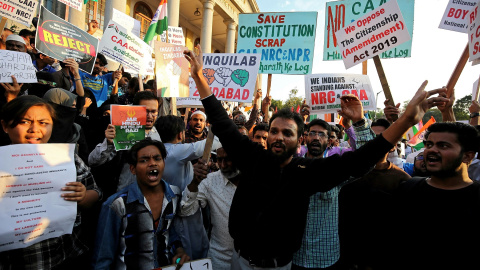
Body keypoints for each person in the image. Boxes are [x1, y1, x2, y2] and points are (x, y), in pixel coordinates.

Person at [184, 46, 448, 269]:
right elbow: (221, 120)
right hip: (239, 261)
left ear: (299, 140)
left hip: (282, 265)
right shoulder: (252, 157)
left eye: (287, 133)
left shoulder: (308, 171)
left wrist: (405, 121)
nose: (278, 137)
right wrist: (198, 76)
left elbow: (361, 160)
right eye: (274, 131)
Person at [0, 95, 101, 269]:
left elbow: (96, 194)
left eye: (43, 123)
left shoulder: (67, 159)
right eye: (24, 122)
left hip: (64, 257)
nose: (34, 129)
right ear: (5, 126)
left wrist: (82, 196)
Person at [391, 122, 480, 270]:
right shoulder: (408, 189)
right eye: (429, 144)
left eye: (443, 146)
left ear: (467, 156)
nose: (432, 150)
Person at [292, 116, 375, 270]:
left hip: (326, 255)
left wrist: (358, 122)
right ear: (305, 138)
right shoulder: (292, 167)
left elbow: (366, 159)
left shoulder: (336, 169)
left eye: (322, 134)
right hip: (293, 255)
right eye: (312, 133)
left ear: (329, 141)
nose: (316, 137)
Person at [92, 138, 190, 270]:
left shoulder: (174, 195)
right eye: (144, 160)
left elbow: (170, 232)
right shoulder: (116, 205)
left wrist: (179, 251)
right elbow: (102, 259)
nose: (152, 164)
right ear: (133, 169)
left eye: (157, 159)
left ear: (163, 164)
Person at [339, 118, 411, 270]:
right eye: (369, 137)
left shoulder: (403, 180)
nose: (374, 143)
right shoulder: (345, 174)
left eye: (381, 138)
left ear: (393, 146)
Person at [155, 115, 222, 259]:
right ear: (180, 134)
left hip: (164, 211)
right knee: (191, 253)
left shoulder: (156, 151)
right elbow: (212, 144)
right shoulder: (176, 151)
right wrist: (218, 123)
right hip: (183, 212)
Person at [180, 148, 240, 270]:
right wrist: (194, 183)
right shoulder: (210, 181)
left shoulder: (256, 178)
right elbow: (185, 210)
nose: (222, 165)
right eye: (219, 160)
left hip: (250, 262)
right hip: (219, 260)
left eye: (228, 160)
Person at [88, 91, 161, 193]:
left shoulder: (157, 134)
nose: (150, 116)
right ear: (134, 110)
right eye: (145, 111)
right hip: (124, 196)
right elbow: (93, 161)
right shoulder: (121, 132)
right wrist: (108, 144)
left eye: (153, 111)